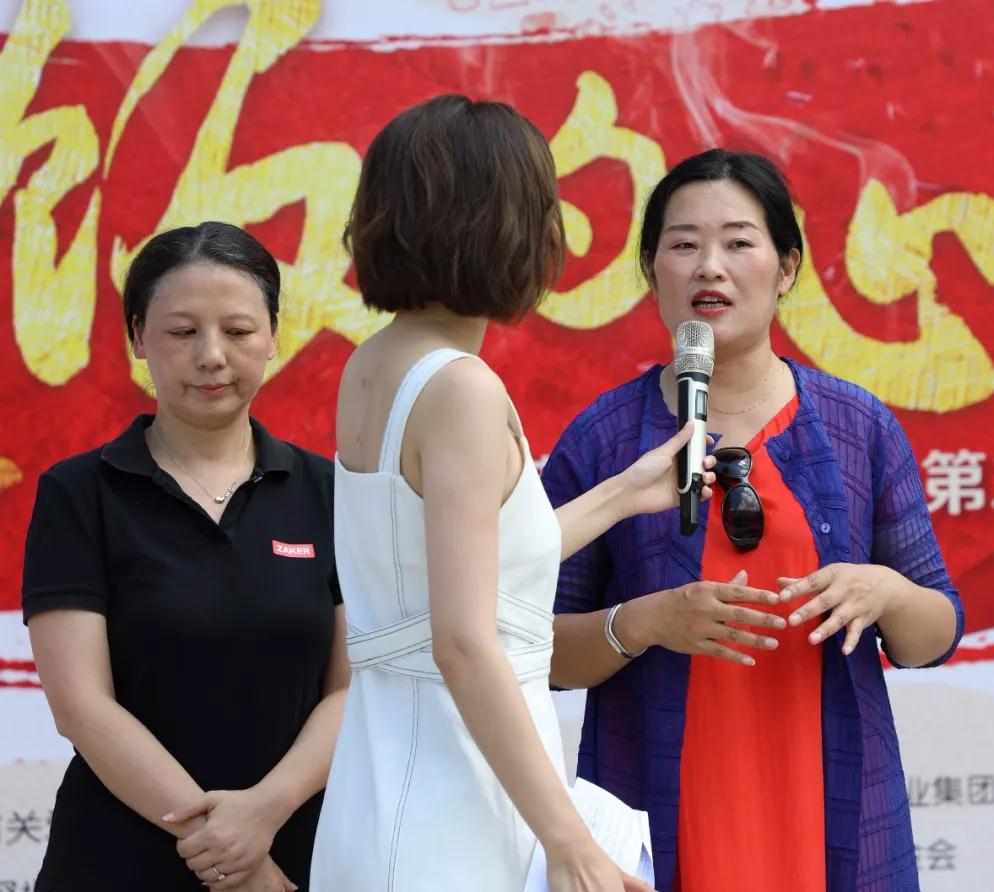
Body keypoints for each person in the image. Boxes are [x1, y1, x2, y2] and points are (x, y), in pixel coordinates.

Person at [309, 94, 712, 892]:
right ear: (504, 224)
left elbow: (463, 570)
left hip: (388, 787)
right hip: (455, 802)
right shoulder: (461, 389)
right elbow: (463, 640)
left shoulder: (375, 363)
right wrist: (568, 841)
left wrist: (625, 492)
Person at [542, 149, 965, 892]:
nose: (710, 267)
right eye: (683, 245)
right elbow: (530, 648)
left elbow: (935, 634)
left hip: (827, 813)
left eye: (738, 242)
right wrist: (643, 622)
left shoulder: (858, 426)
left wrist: (888, 594)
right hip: (659, 812)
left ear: (787, 268)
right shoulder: (603, 439)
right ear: (651, 272)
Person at [22, 222, 350, 892]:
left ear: (273, 335)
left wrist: (264, 813)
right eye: (182, 331)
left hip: (297, 853)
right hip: (120, 861)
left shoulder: (331, 492)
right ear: (138, 337)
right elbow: (81, 705)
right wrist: (224, 848)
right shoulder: (80, 493)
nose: (211, 356)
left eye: (238, 330)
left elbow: (352, 688)